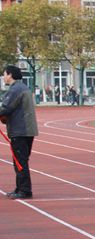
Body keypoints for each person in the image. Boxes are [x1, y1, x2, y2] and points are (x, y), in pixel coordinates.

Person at [1, 65, 38, 200]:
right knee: (21, 161)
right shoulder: (23, 88)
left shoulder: (15, 90)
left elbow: (5, 108)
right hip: (26, 130)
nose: (3, 77)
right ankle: (20, 188)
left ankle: (24, 190)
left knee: (20, 162)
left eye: (4, 74)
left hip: (20, 130)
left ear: (10, 74)